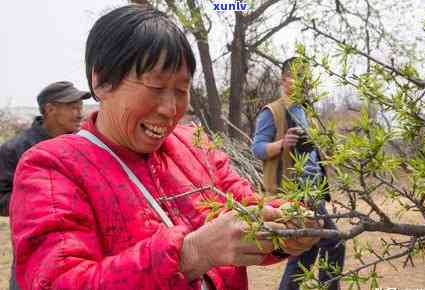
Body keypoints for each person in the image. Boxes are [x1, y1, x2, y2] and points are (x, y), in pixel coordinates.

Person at [9, 5, 320, 290]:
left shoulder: (194, 145)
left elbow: (243, 204)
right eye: (156, 88)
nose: (171, 109)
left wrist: (286, 224)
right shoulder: (51, 167)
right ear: (102, 81)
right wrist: (191, 254)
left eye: (182, 90)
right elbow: (57, 281)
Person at [252, 57, 346, 290]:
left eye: (307, 76)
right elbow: (257, 148)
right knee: (331, 242)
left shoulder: (304, 111)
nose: (304, 82)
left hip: (312, 192)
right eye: (298, 76)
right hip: (293, 192)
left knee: (307, 248)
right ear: (285, 80)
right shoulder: (272, 112)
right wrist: (282, 143)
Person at [0, 81, 90, 290]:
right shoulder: (15, 150)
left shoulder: (83, 145)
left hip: (82, 248)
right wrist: (42, 202)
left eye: (80, 107)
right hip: (36, 249)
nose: (80, 114)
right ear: (50, 109)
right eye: (73, 107)